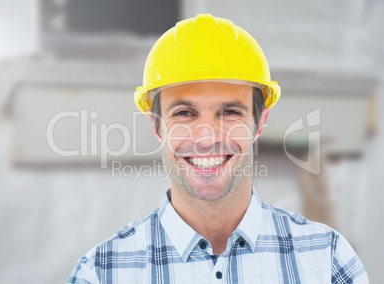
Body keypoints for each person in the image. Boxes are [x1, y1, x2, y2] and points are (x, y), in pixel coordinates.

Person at [68, 14, 368, 283]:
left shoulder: (328, 260)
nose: (207, 137)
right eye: (185, 113)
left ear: (260, 121)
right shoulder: (102, 272)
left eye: (230, 112)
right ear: (157, 125)